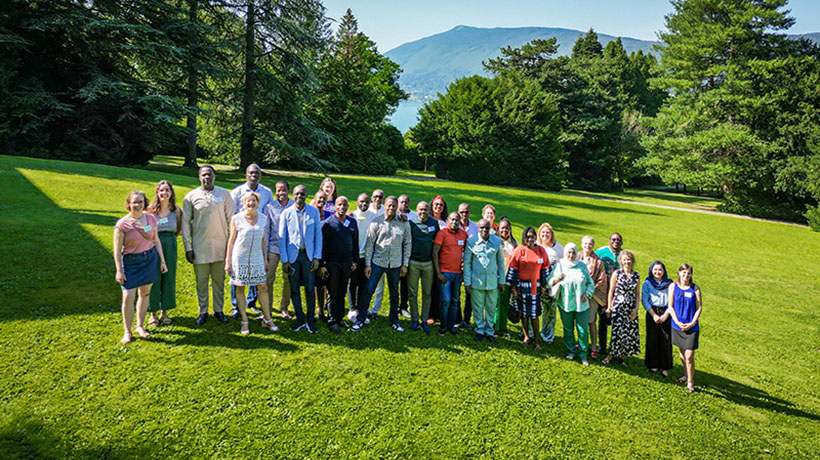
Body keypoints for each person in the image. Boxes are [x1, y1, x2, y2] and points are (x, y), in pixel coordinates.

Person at [114, 190, 168, 344]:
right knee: (128, 298)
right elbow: (117, 250)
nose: (137, 205)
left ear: (145, 203)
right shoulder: (122, 224)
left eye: (140, 202)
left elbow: (156, 240)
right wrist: (119, 270)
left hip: (149, 259)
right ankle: (127, 331)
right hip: (131, 262)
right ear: (129, 204)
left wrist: (162, 261)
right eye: (134, 202)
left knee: (145, 294)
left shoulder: (150, 219)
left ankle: (140, 326)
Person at [182, 165, 233, 326]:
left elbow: (232, 221)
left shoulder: (225, 194)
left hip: (220, 247)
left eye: (209, 174)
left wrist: (231, 248)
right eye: (204, 175)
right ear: (199, 177)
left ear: (214, 176)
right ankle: (203, 311)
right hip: (199, 248)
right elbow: (185, 224)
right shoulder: (191, 196)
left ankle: (219, 310)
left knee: (219, 281)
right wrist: (188, 247)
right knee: (201, 282)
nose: (207, 177)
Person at [354, 196, 412, 331]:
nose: (391, 208)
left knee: (394, 293)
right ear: (384, 206)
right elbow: (370, 245)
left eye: (393, 206)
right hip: (377, 262)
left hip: (396, 264)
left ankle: (394, 321)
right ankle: (360, 318)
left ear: (397, 207)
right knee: (369, 291)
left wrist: (405, 264)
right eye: (389, 205)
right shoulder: (377, 222)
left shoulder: (404, 223)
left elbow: (407, 243)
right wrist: (368, 264)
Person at [225, 192, 276, 335]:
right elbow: (231, 240)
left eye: (253, 201)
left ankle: (267, 319)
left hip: (257, 257)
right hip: (239, 257)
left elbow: (263, 241)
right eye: (248, 201)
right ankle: (244, 321)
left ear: (257, 203)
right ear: (243, 203)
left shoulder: (263, 219)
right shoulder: (237, 218)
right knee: (240, 288)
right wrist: (227, 261)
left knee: (263, 287)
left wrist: (265, 259)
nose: (251, 204)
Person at [229, 164, 273, 319]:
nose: (254, 175)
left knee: (256, 273)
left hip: (258, 235)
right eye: (251, 173)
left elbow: (269, 213)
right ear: (246, 174)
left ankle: (251, 302)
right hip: (242, 236)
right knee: (238, 274)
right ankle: (236, 306)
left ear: (260, 175)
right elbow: (232, 215)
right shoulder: (236, 192)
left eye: (257, 173)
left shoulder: (267, 192)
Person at [278, 185, 323, 333]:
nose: (299, 196)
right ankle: (299, 318)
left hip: (308, 256)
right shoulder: (286, 213)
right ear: (293, 195)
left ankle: (310, 318)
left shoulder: (313, 212)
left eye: (302, 194)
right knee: (294, 289)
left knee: (310, 289)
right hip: (292, 258)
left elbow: (318, 235)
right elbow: (282, 238)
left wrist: (317, 257)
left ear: (306, 195)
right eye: (297, 194)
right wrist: (284, 260)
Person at [548, 242, 595, 365]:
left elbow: (590, 283)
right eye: (568, 252)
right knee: (568, 329)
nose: (571, 255)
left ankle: (583, 354)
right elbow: (549, 281)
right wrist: (557, 279)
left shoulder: (582, 266)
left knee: (583, 330)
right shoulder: (560, 265)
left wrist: (588, 294)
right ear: (565, 253)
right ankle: (571, 351)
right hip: (565, 304)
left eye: (573, 252)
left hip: (582, 305)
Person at [506, 226, 550, 351]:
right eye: (528, 236)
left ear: (536, 237)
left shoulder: (541, 251)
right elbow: (513, 268)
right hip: (522, 286)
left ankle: (536, 340)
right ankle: (526, 336)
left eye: (532, 236)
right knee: (524, 314)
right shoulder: (519, 250)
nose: (530, 239)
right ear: (524, 238)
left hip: (535, 286)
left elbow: (545, 269)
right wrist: (514, 288)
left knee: (534, 315)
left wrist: (543, 286)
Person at [319, 196, 358, 333]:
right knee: (332, 292)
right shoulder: (328, 223)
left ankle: (340, 317)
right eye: (339, 204)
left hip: (346, 262)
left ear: (348, 206)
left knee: (342, 291)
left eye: (345, 205)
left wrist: (355, 260)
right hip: (332, 263)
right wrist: (323, 264)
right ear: (335, 206)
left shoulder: (352, 222)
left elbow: (355, 243)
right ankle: (332, 320)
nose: (342, 207)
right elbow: (322, 246)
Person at [463, 219, 505, 343]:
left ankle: (489, 331)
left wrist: (501, 280)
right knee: (478, 307)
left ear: (490, 228)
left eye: (486, 228)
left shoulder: (497, 242)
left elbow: (500, 263)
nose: (484, 230)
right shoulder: (471, 242)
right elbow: (467, 263)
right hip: (477, 281)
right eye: (481, 228)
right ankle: (480, 330)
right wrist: (467, 282)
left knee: (491, 308)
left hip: (492, 282)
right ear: (478, 228)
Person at [147, 180, 181, 327]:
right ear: (157, 193)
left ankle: (164, 312)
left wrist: (170, 240)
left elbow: (179, 229)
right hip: (154, 244)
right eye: (161, 190)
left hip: (170, 243)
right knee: (154, 278)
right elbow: (146, 229)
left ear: (171, 193)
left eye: (167, 190)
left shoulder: (177, 211)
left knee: (168, 277)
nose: (164, 193)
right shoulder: (150, 211)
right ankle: (152, 313)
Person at [432, 212, 469, 336]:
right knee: (446, 300)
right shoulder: (442, 233)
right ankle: (443, 327)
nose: (454, 222)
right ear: (448, 220)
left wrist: (464, 272)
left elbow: (467, 254)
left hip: (458, 274)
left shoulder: (463, 234)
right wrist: (438, 273)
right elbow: (435, 252)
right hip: (445, 273)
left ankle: (451, 326)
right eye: (452, 219)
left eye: (457, 220)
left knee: (455, 301)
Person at [667, 264, 702, 393]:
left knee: (689, 355)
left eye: (688, 273)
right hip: (677, 326)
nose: (686, 276)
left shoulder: (695, 288)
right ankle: (686, 374)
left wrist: (693, 322)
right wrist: (677, 321)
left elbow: (699, 307)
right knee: (682, 354)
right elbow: (670, 306)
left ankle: (690, 382)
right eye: (683, 273)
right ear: (679, 273)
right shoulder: (673, 287)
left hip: (691, 327)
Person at [603, 250, 641, 366]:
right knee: (617, 332)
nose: (627, 262)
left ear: (632, 261)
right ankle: (610, 356)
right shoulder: (617, 274)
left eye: (629, 259)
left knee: (628, 333)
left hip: (630, 308)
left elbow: (638, 293)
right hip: (618, 307)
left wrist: (636, 309)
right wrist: (609, 306)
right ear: (621, 261)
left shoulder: (636, 276)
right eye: (625, 259)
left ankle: (621, 356)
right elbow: (611, 290)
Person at [406, 201, 439, 333]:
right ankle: (415, 319)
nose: (423, 212)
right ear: (417, 210)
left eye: (425, 210)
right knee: (413, 292)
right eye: (420, 210)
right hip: (414, 262)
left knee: (427, 293)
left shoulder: (434, 223)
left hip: (428, 263)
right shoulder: (412, 223)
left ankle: (424, 320)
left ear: (428, 211)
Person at [264, 180, 294, 319]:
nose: (280, 193)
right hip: (273, 248)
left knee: (288, 279)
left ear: (288, 191)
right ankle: (267, 308)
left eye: (283, 190)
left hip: (289, 249)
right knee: (268, 279)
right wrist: (265, 252)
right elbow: (266, 231)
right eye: (278, 190)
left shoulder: (294, 206)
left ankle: (284, 307)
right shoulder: (270, 207)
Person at [348, 193, 379, 321]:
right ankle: (352, 308)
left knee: (363, 284)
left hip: (367, 257)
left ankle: (361, 309)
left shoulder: (374, 217)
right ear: (357, 202)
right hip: (354, 256)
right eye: (361, 201)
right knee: (352, 283)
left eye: (366, 202)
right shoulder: (351, 216)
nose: (364, 204)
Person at [642, 260, 674, 376]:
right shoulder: (647, 283)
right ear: (651, 271)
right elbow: (644, 300)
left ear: (664, 271)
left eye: (660, 269)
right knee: (652, 338)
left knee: (665, 339)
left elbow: (672, 301)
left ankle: (665, 366)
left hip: (666, 311)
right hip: (652, 312)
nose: (657, 272)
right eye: (655, 269)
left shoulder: (670, 284)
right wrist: (654, 315)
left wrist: (666, 314)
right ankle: (653, 364)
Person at [579, 236, 607, 358]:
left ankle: (594, 347)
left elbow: (601, 280)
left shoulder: (598, 261)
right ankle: (581, 343)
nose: (588, 246)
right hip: (577, 295)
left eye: (590, 244)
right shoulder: (577, 256)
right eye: (585, 243)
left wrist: (589, 292)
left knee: (591, 321)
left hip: (592, 296)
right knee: (579, 320)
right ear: (582, 244)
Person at [595, 232, 623, 355]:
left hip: (618, 293)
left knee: (616, 321)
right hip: (603, 290)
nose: (616, 241)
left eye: (618, 240)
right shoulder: (601, 252)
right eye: (613, 239)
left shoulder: (624, 255)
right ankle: (601, 345)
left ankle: (616, 348)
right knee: (602, 318)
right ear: (609, 241)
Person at [537, 222, 564, 344]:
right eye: (543, 232)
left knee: (550, 310)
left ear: (552, 234)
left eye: (547, 232)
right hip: (537, 283)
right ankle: (533, 332)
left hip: (553, 284)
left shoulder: (559, 248)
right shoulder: (536, 246)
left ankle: (548, 335)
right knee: (536, 308)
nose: (545, 235)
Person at [494, 216, 517, 337]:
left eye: (507, 228)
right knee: (495, 303)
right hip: (495, 277)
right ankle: (494, 326)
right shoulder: (494, 240)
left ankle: (503, 327)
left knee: (504, 304)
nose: (504, 230)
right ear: (498, 229)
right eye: (502, 228)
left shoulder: (514, 244)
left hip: (508, 278)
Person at [428, 196, 449, 325]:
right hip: (430, 257)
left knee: (441, 288)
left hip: (443, 258)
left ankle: (441, 314)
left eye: (441, 205)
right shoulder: (428, 220)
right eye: (436, 204)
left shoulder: (446, 222)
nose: (438, 207)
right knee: (431, 288)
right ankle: (431, 315)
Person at [397, 194, 417, 319]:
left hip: (407, 253)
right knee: (394, 283)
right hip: (394, 253)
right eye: (401, 202)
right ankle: (394, 307)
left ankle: (403, 307)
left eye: (406, 202)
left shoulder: (414, 216)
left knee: (405, 282)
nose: (404, 204)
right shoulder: (393, 214)